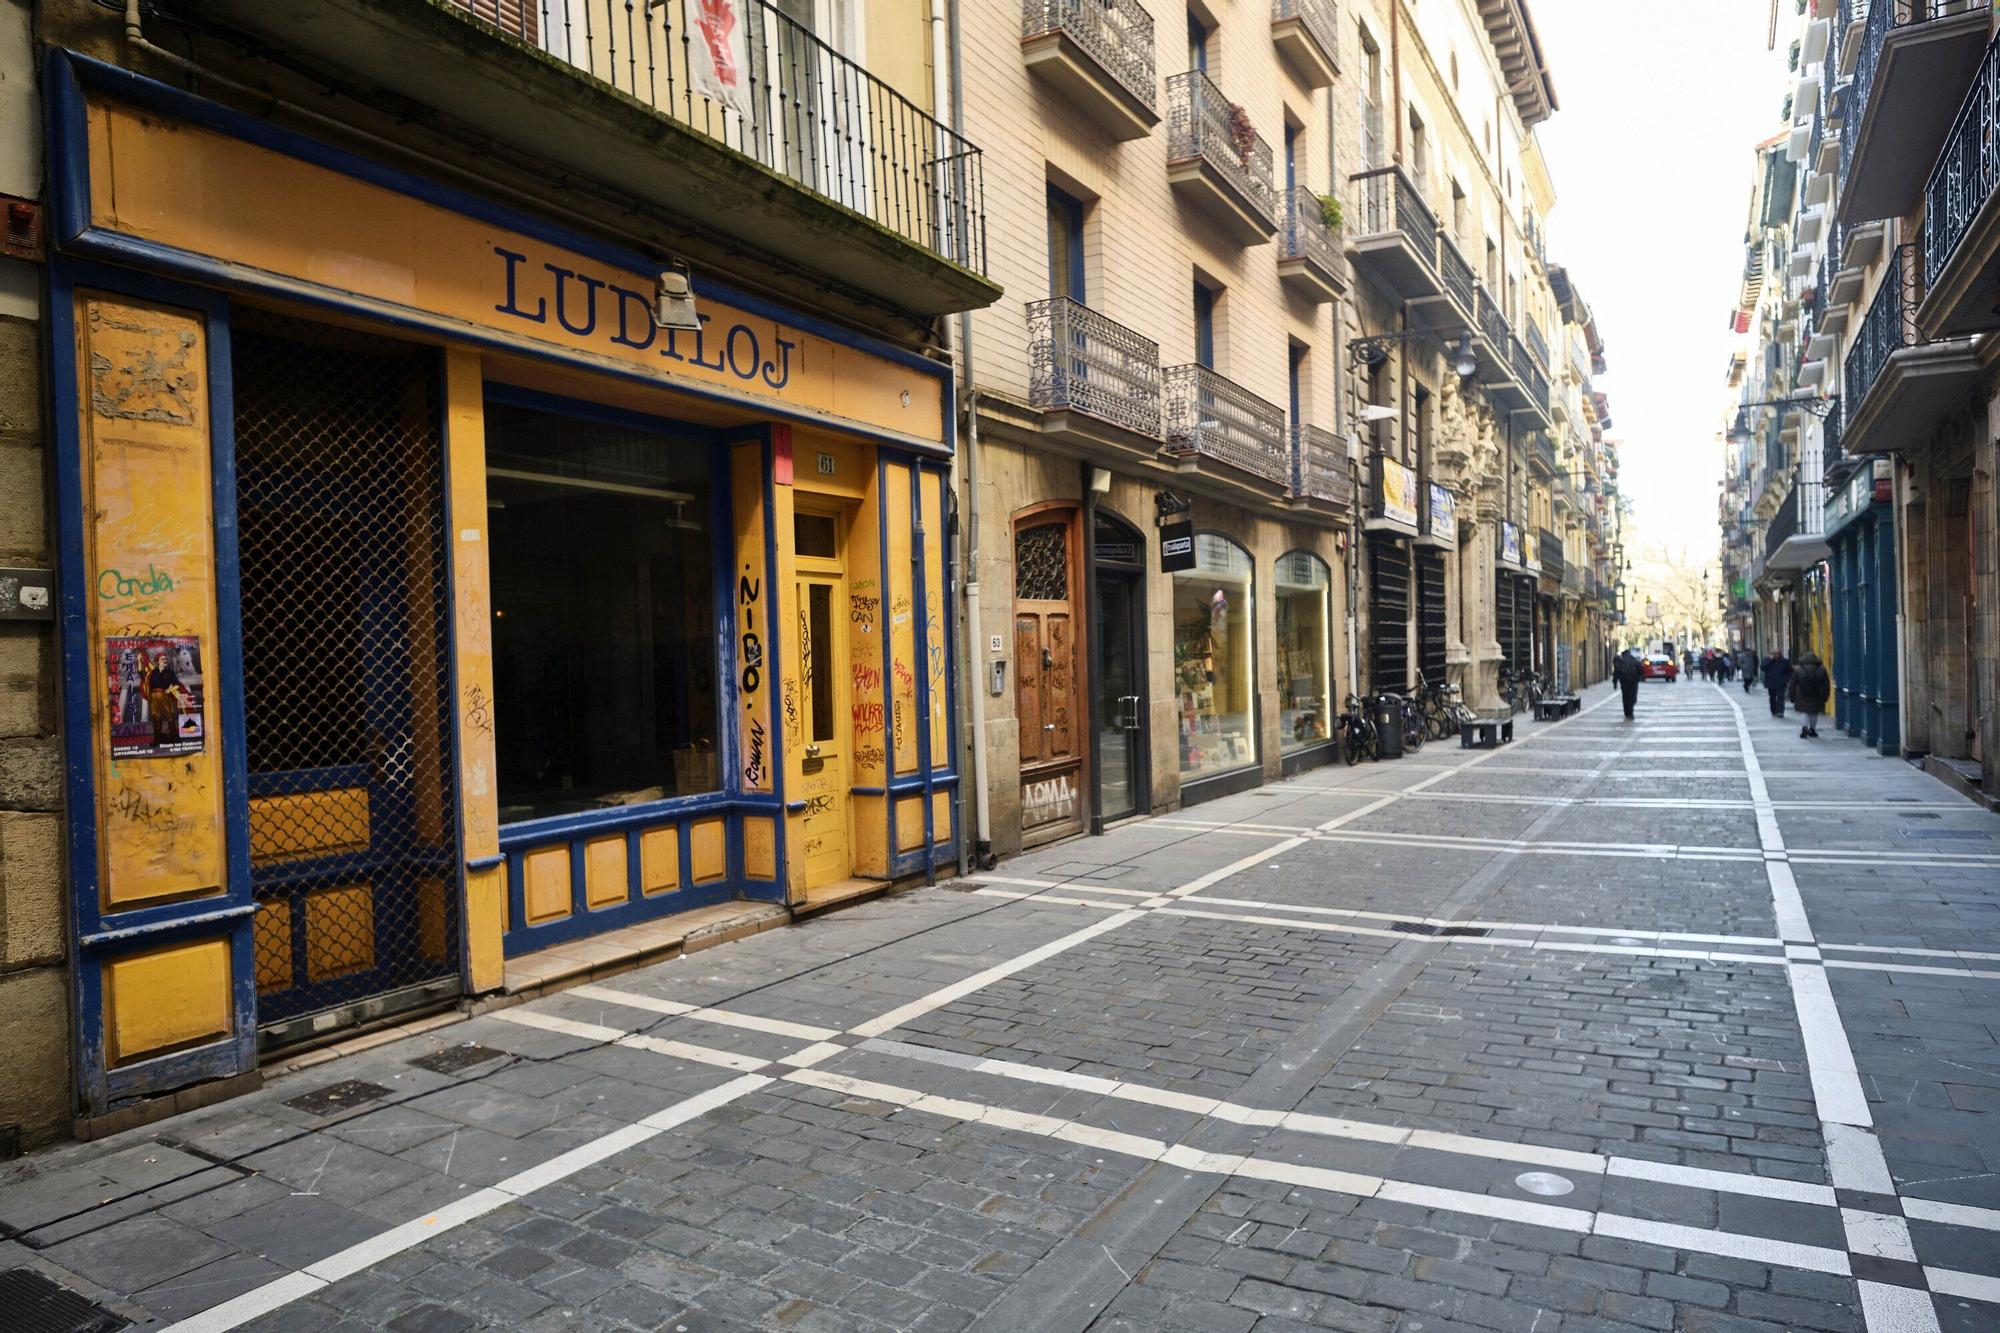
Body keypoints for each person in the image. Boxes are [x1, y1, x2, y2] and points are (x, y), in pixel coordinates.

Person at [1791, 651, 1831, 738]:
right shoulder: (1822, 669)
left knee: (1804, 712)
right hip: (1816, 695)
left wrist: (1792, 696)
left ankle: (1804, 728)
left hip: (1802, 695)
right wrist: (1825, 696)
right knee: (1814, 712)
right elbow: (1826, 685)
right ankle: (1812, 729)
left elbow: (1793, 684)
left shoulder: (1798, 669)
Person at [1762, 650, 1793, 719]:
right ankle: (1773, 710)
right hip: (1771, 682)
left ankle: (1780, 711)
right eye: (1773, 654)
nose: (1775, 655)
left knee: (1780, 697)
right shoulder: (1768, 660)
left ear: (1780, 654)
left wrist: (1785, 679)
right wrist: (1770, 660)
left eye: (1777, 654)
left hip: (1781, 683)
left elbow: (1790, 671)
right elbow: (1763, 667)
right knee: (1772, 697)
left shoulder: (1784, 661)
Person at [1614, 647, 1642, 721]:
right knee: (1632, 698)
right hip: (1633, 683)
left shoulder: (1621, 662)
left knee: (1625, 698)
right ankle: (1630, 713)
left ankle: (1627, 713)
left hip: (1624, 682)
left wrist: (1615, 683)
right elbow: (1641, 670)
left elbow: (1616, 672)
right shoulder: (1634, 660)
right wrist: (1638, 678)